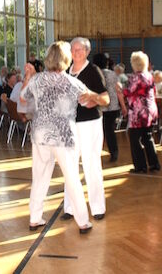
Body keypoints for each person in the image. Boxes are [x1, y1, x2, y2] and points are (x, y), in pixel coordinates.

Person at [21, 41, 95, 234]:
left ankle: (34, 218)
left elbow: (22, 98)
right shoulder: (72, 82)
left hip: (40, 135)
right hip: (63, 136)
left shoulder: (36, 80)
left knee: (39, 177)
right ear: (66, 59)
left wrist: (28, 76)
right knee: (71, 177)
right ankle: (83, 222)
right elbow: (88, 102)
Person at [62, 37, 110, 221]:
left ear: (87, 51)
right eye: (73, 49)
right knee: (70, 166)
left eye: (80, 49)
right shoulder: (66, 71)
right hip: (70, 124)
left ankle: (97, 207)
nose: (76, 52)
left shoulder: (93, 71)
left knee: (91, 164)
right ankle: (70, 207)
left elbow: (105, 100)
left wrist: (93, 97)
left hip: (90, 124)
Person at [123, 51, 160, 173]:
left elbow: (128, 92)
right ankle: (154, 164)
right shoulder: (149, 75)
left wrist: (119, 88)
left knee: (134, 139)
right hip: (150, 110)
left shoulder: (136, 77)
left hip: (139, 112)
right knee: (147, 137)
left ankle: (140, 166)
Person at [92, 53, 126, 162]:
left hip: (99, 107)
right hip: (113, 106)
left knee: (98, 132)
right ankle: (114, 153)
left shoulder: (94, 73)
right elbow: (119, 91)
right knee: (110, 131)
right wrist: (123, 107)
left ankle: (96, 154)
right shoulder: (112, 74)